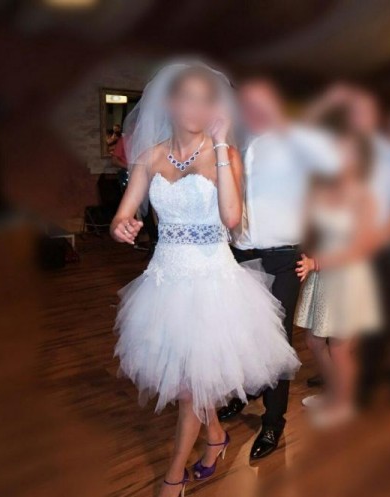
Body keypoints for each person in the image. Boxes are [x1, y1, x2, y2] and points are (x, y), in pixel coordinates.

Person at [110, 62, 300, 497]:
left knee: (190, 390)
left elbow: (231, 219)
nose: (196, 107)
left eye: (205, 99)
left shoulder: (225, 154)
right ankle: (215, 436)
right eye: (187, 98)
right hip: (164, 284)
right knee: (188, 381)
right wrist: (122, 226)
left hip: (212, 284)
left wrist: (219, 144)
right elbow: (123, 214)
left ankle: (172, 477)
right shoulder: (149, 157)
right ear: (170, 103)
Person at [215, 78, 341, 459]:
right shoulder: (231, 143)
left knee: (277, 340)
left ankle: (273, 420)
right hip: (239, 254)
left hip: (283, 256)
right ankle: (246, 393)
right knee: (243, 335)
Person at [294, 118, 381, 427]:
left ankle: (345, 403)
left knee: (340, 347)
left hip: (347, 277)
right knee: (315, 341)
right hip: (324, 276)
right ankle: (337, 392)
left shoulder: (364, 196)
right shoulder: (325, 188)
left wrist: (316, 263)